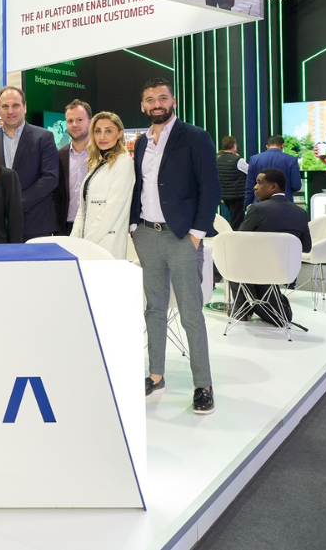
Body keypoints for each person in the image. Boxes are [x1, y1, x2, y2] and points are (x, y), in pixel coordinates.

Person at [130, 78, 220, 415]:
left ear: (173, 101)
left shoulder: (195, 136)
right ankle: (156, 376)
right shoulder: (141, 142)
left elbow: (210, 187)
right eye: (150, 99)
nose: (157, 104)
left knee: (190, 313)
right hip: (147, 236)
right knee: (154, 309)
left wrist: (196, 234)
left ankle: (203, 385)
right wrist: (134, 226)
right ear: (142, 105)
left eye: (162, 98)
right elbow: (140, 186)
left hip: (183, 237)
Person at [231, 168, 311, 323]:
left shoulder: (257, 209)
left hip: (256, 270)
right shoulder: (300, 212)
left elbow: (238, 240)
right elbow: (306, 247)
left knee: (233, 259)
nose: (255, 187)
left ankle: (240, 310)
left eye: (259, 183)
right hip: (286, 271)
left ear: (274, 186)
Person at [0, 86, 59, 240]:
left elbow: (50, 178)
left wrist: (16, 203)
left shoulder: (44, 137)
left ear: (25, 107)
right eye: (5, 106)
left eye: (16, 105)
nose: (10, 111)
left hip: (35, 224)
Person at [71, 111, 135, 259]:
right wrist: (74, 241)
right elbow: (83, 208)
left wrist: (86, 243)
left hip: (106, 245)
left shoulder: (124, 163)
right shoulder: (96, 164)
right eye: (98, 131)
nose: (102, 137)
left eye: (108, 131)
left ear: (119, 134)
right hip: (86, 244)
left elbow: (112, 210)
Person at [55, 100, 93, 236]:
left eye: (79, 120)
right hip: (66, 229)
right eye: (70, 121)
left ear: (91, 121)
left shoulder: (101, 156)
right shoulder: (59, 156)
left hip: (94, 228)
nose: (74, 125)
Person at [244, 136, 302, 209]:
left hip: (260, 204)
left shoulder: (254, 159)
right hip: (284, 205)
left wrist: (247, 204)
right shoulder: (292, 160)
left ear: (267, 146)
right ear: (282, 145)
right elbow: (296, 186)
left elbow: (250, 186)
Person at [216, 136, 248, 227]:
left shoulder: (218, 160)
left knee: (226, 219)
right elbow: (250, 172)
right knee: (237, 220)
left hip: (224, 195)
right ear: (234, 146)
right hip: (237, 195)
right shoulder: (238, 160)